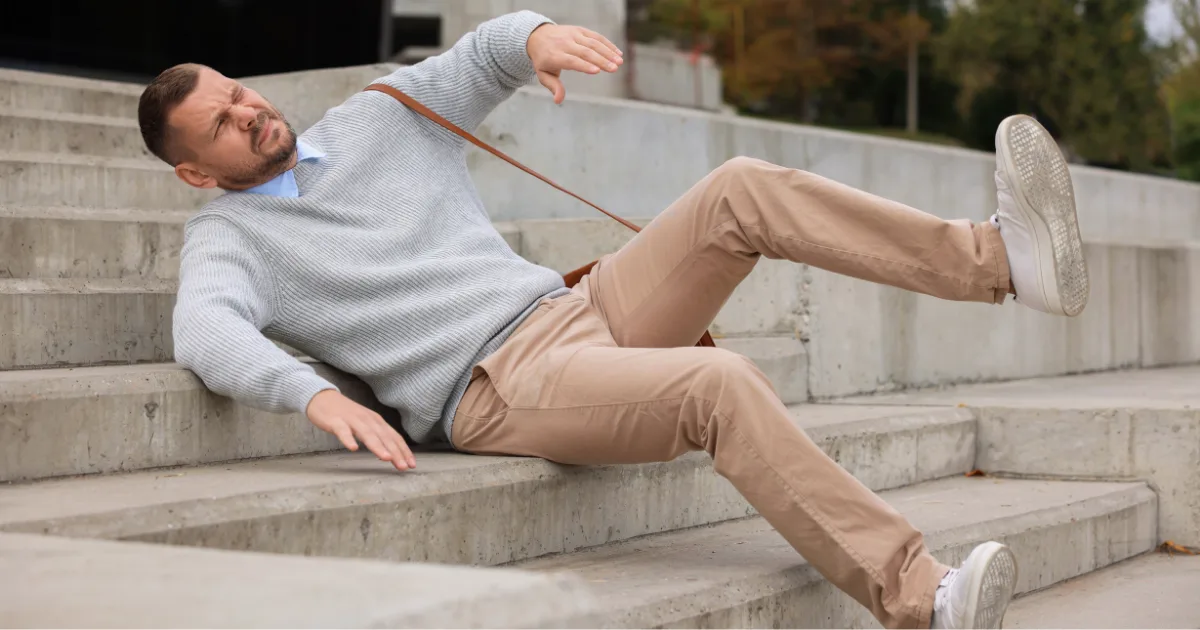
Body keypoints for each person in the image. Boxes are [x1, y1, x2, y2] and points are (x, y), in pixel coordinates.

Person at [138, 11, 1088, 630]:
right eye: (221, 124)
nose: (250, 113)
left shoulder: (372, 118)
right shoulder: (231, 239)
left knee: (740, 190)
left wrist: (533, 37)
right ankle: (923, 596)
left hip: (578, 306)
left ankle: (1004, 263)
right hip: (499, 385)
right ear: (195, 170)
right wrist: (307, 394)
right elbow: (206, 333)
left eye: (239, 92)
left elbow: (473, 58)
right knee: (719, 383)